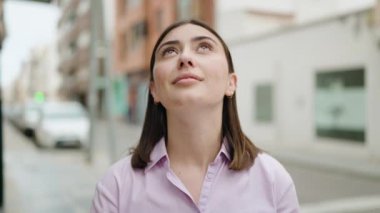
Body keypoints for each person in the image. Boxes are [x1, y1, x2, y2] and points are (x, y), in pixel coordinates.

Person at [91, 19, 299, 213]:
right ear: (154, 90)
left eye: (204, 47)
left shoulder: (273, 180)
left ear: (231, 83)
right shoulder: (115, 187)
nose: (185, 58)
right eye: (170, 51)